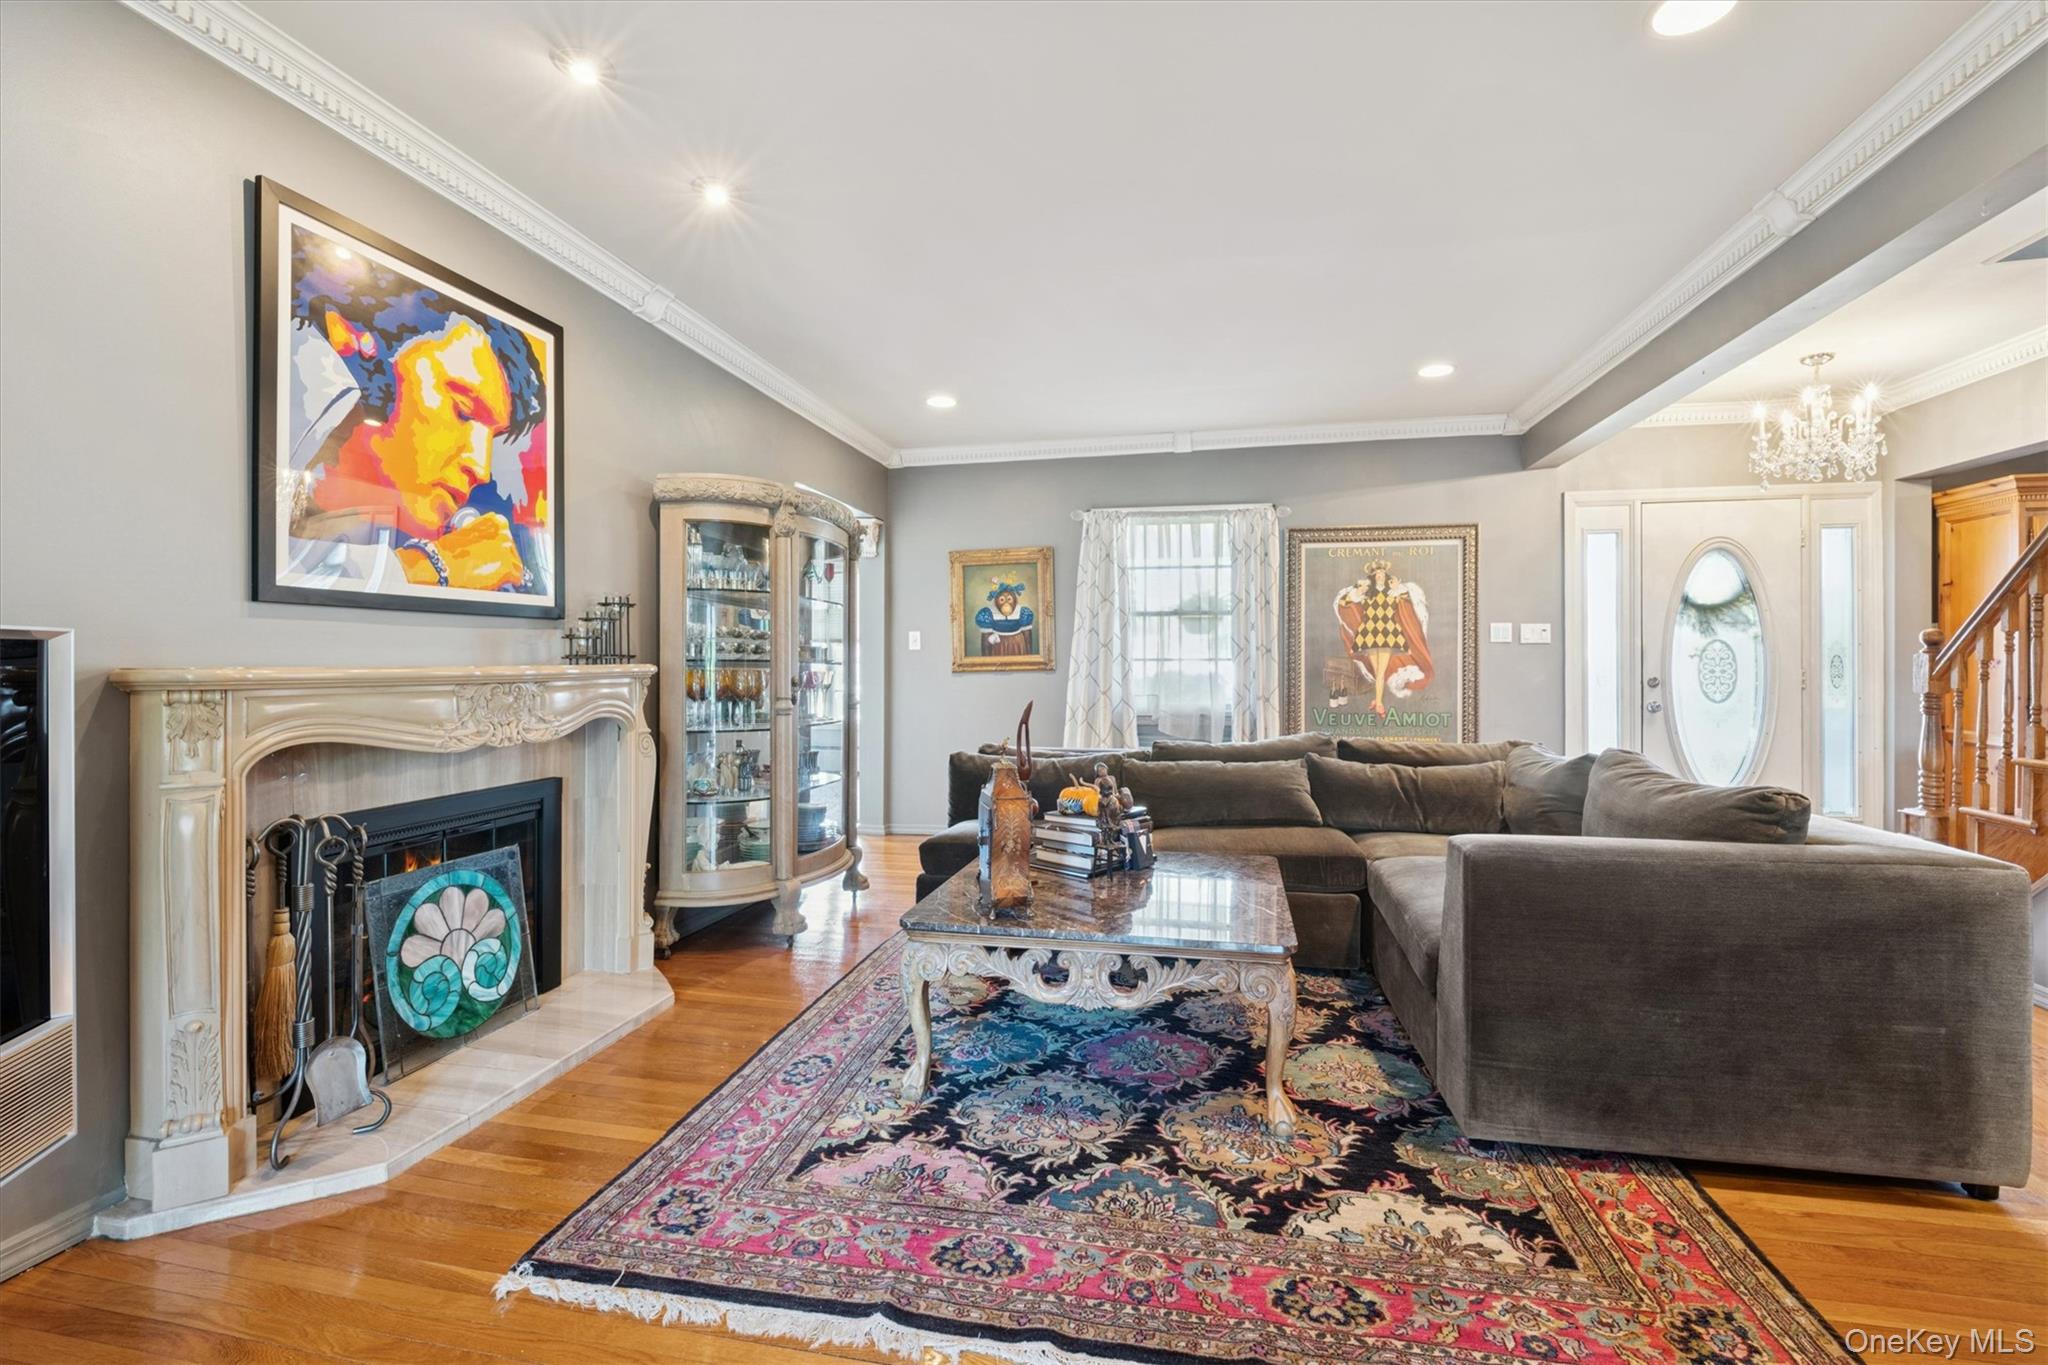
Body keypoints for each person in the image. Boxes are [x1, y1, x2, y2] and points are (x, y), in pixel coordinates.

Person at [280, 225, 549, 595]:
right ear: (353, 338)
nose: (480, 467)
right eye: (463, 411)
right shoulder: (299, 376)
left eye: (492, 436)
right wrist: (438, 566)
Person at [1332, 558, 1433, 717]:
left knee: (1380, 672)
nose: (1380, 575)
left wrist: (1398, 588)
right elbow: (1344, 602)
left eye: (1382, 573)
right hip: (1370, 632)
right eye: (1377, 573)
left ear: (1386, 575)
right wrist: (1358, 592)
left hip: (1387, 632)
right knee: (1379, 671)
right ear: (1372, 576)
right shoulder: (1366, 593)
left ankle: (1378, 702)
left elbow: (1410, 599)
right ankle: (1378, 701)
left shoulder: (1393, 592)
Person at [974, 579, 1036, 656]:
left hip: (1017, 645)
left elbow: (1028, 640)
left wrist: (1029, 657)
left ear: (1014, 601)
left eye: (1009, 599)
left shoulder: (1022, 613)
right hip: (998, 646)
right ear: (996, 602)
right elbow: (986, 644)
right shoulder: (989, 613)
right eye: (1002, 600)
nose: (1006, 604)